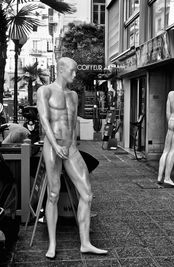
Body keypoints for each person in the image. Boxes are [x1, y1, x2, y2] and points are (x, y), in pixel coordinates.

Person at [37, 57, 107, 259]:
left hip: (70, 146)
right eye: (73, 71)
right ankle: (52, 244)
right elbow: (44, 120)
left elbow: (73, 123)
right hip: (52, 145)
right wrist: (54, 144)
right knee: (53, 194)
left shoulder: (74, 95)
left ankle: (85, 243)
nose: (75, 75)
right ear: (61, 69)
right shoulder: (45, 91)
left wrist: (73, 145)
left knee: (87, 194)